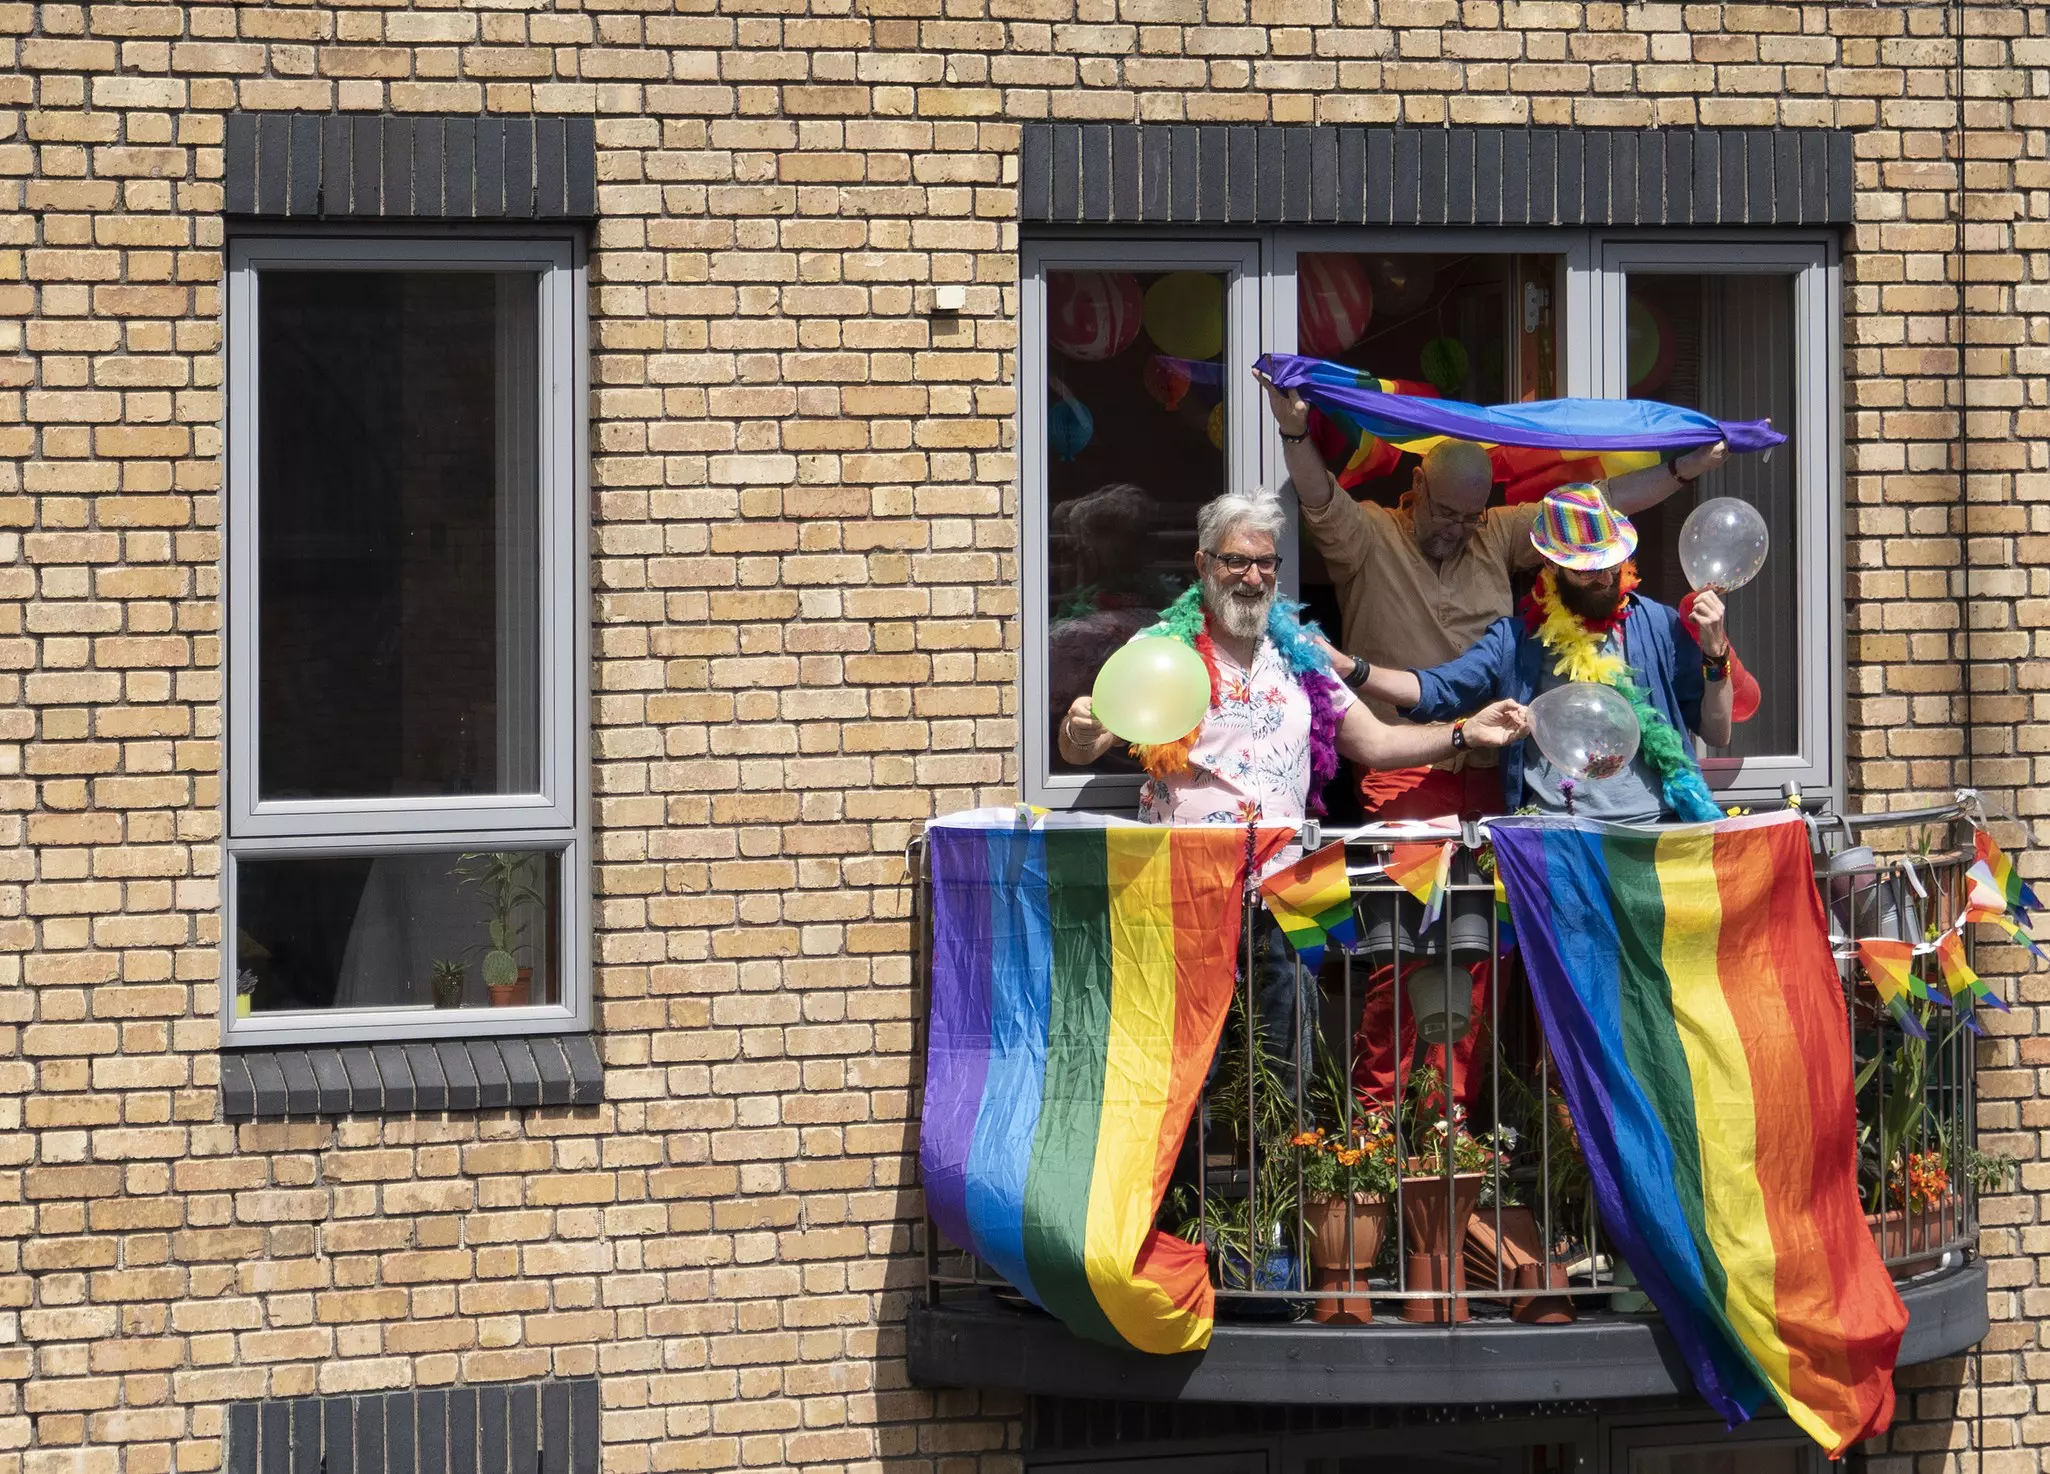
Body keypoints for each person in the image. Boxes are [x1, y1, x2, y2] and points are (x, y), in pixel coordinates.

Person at [1059, 490, 1530, 1087]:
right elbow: (1086, 745)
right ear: (1204, 566)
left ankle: (1278, 1179)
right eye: (1235, 561)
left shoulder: (1301, 656)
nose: (1252, 577)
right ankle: (1186, 1184)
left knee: (1284, 1074)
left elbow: (1378, 744)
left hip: (1290, 889)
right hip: (1186, 890)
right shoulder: (1160, 652)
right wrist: (1079, 728)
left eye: (1266, 563)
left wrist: (1465, 733)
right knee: (1185, 1072)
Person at [1257, 371, 1728, 819]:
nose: (1458, 529)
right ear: (1417, 484)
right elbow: (1318, 494)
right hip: (1402, 760)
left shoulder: (1496, 533)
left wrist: (1686, 468)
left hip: (1491, 761)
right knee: (1418, 896)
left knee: (1486, 895)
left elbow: (1593, 508)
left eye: (1471, 516)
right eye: (1446, 513)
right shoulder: (1368, 533)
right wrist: (1295, 433)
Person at [1339, 484, 1733, 825]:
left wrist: (1715, 655)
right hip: (1559, 838)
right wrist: (1351, 670)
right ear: (1550, 564)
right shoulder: (1516, 640)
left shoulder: (1657, 625)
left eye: (1611, 564)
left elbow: (1717, 731)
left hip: (1656, 831)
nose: (1604, 578)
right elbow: (1435, 689)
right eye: (1586, 569)